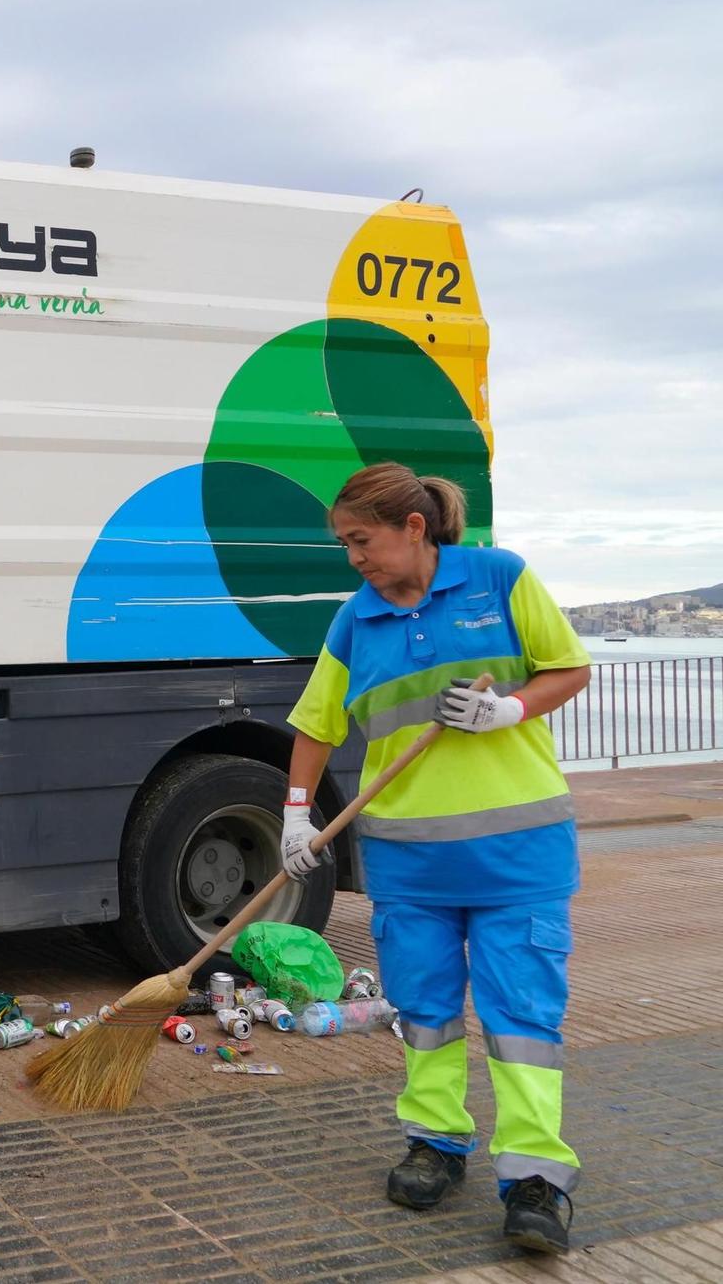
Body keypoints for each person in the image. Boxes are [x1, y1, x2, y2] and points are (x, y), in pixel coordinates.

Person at [282, 462, 591, 1255]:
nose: (354, 557)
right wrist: (293, 814)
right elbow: (318, 724)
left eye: (362, 539)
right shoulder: (356, 618)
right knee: (423, 1011)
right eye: (344, 544)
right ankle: (435, 1142)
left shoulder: (500, 578)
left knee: (521, 1016)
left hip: (515, 856)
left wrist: (508, 708)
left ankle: (535, 1177)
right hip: (409, 862)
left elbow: (570, 666)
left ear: (413, 527)